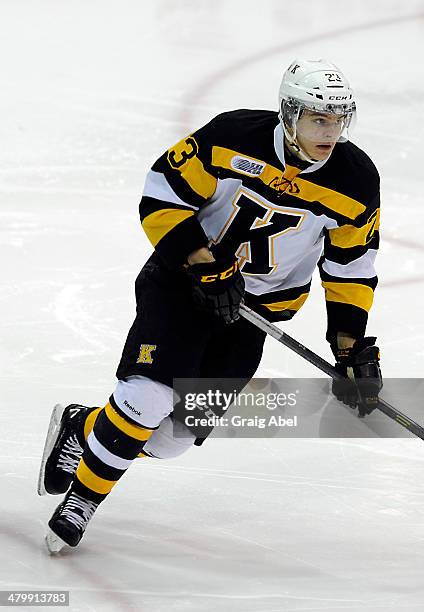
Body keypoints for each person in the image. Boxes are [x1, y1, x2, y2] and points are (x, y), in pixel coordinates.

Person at [38, 58, 383, 552]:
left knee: (170, 441)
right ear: (289, 113)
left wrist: (350, 347)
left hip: (255, 313)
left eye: (338, 119)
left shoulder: (355, 179)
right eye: (317, 119)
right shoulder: (232, 136)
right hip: (182, 286)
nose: (330, 132)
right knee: (147, 399)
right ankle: (81, 501)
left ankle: (81, 427)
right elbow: (161, 194)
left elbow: (352, 267)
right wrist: (203, 262)